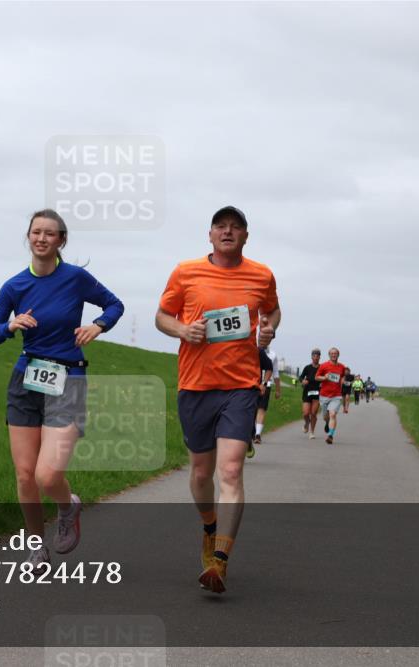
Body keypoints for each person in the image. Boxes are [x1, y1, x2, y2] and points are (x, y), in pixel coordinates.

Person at [0, 209, 124, 571]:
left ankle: (67, 506)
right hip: (25, 380)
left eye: (50, 233)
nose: (42, 238)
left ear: (61, 240)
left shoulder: (75, 278)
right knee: (25, 474)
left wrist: (98, 325)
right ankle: (35, 548)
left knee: (47, 475)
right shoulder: (14, 286)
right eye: (36, 232)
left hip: (68, 379)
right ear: (28, 237)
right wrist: (10, 326)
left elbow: (114, 304)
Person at [155, 205, 281, 594]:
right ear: (209, 235)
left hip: (240, 387)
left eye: (236, 228)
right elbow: (161, 316)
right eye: (220, 227)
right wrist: (183, 329)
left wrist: (268, 331)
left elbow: (272, 312)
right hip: (195, 386)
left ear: (246, 236)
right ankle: (209, 527)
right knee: (200, 473)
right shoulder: (186, 272)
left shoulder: (261, 275)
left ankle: (220, 561)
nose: (228, 232)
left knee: (229, 471)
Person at [316, 348, 347, 445]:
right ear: (329, 355)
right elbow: (316, 377)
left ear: (338, 355)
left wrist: (342, 380)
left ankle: (330, 435)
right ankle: (327, 422)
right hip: (324, 395)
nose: (334, 355)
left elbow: (343, 376)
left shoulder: (342, 367)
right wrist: (324, 377)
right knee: (326, 417)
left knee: (332, 414)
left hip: (336, 395)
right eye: (332, 353)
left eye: (335, 353)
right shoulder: (324, 366)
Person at [252, 346, 280, 445]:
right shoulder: (252, 350)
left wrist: (277, 390)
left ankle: (258, 434)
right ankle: (252, 431)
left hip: (266, 385)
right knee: (252, 410)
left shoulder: (273, 355)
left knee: (261, 409)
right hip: (252, 384)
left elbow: (275, 372)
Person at [299, 349, 323, 439]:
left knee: (313, 413)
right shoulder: (307, 367)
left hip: (317, 392)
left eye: (317, 356)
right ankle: (306, 423)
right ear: (311, 357)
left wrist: (322, 382)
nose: (316, 357)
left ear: (320, 357)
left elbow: (325, 378)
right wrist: (303, 381)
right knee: (305, 413)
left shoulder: (322, 368)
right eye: (314, 356)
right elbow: (301, 377)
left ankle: (312, 432)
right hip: (307, 392)